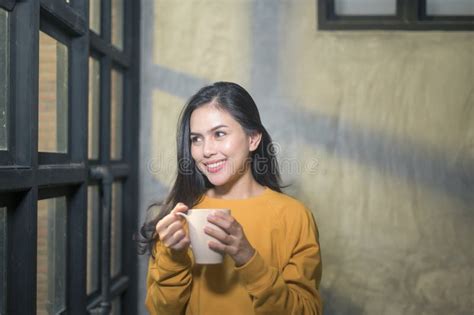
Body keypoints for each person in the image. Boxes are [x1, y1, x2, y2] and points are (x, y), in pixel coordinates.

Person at [138, 82, 322, 314]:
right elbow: (162, 311)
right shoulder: (180, 216)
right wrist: (174, 258)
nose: (206, 150)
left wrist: (248, 257)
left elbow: (306, 311)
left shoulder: (295, 216)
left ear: (253, 139)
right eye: (196, 139)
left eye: (219, 134)